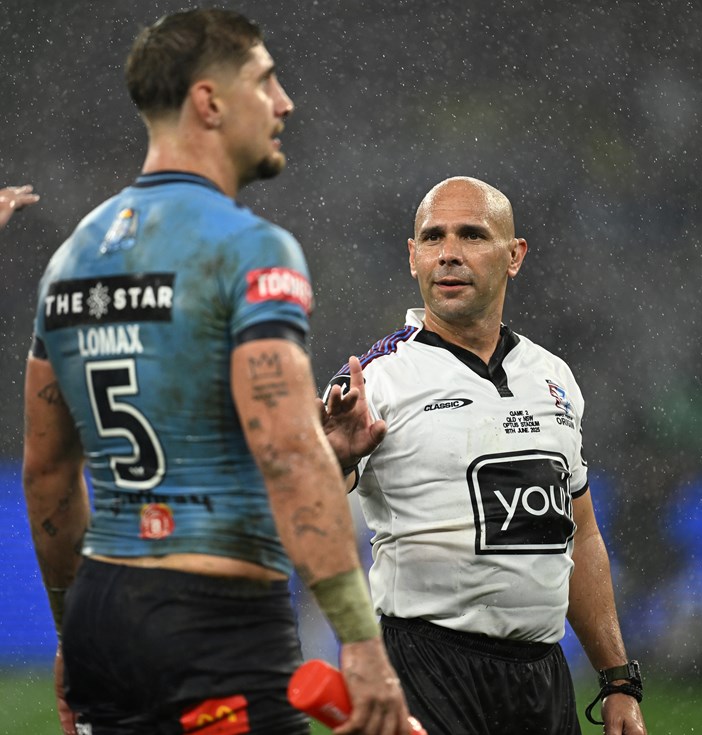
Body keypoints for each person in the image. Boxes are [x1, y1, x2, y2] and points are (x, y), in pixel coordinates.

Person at [22, 9, 413, 735]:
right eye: (264, 81)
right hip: (215, 623)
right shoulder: (248, 248)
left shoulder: (70, 260)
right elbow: (287, 452)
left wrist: (73, 628)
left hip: (102, 615)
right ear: (209, 102)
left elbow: (47, 472)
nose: (283, 103)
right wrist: (360, 641)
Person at [321, 176, 648, 735]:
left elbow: (582, 534)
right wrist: (334, 461)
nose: (448, 253)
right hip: (426, 668)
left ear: (514, 255)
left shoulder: (553, 377)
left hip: (542, 677)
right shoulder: (375, 380)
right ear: (413, 256)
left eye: (471, 235)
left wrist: (618, 681)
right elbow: (295, 503)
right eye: (433, 238)